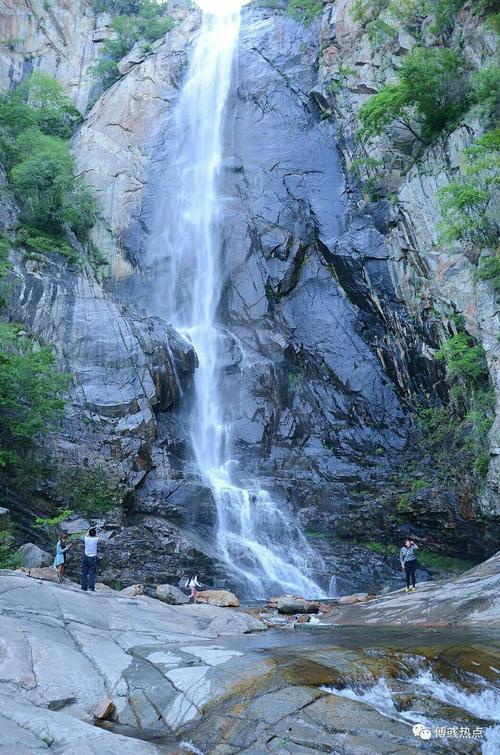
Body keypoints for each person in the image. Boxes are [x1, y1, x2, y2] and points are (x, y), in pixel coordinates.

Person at [81, 527, 99, 592]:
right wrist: (95, 531)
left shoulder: (86, 539)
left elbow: (86, 534)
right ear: (94, 534)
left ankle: (83, 587)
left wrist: (89, 529)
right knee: (92, 573)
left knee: (84, 572)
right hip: (93, 558)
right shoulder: (96, 539)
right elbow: (97, 535)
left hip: (86, 557)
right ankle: (91, 588)